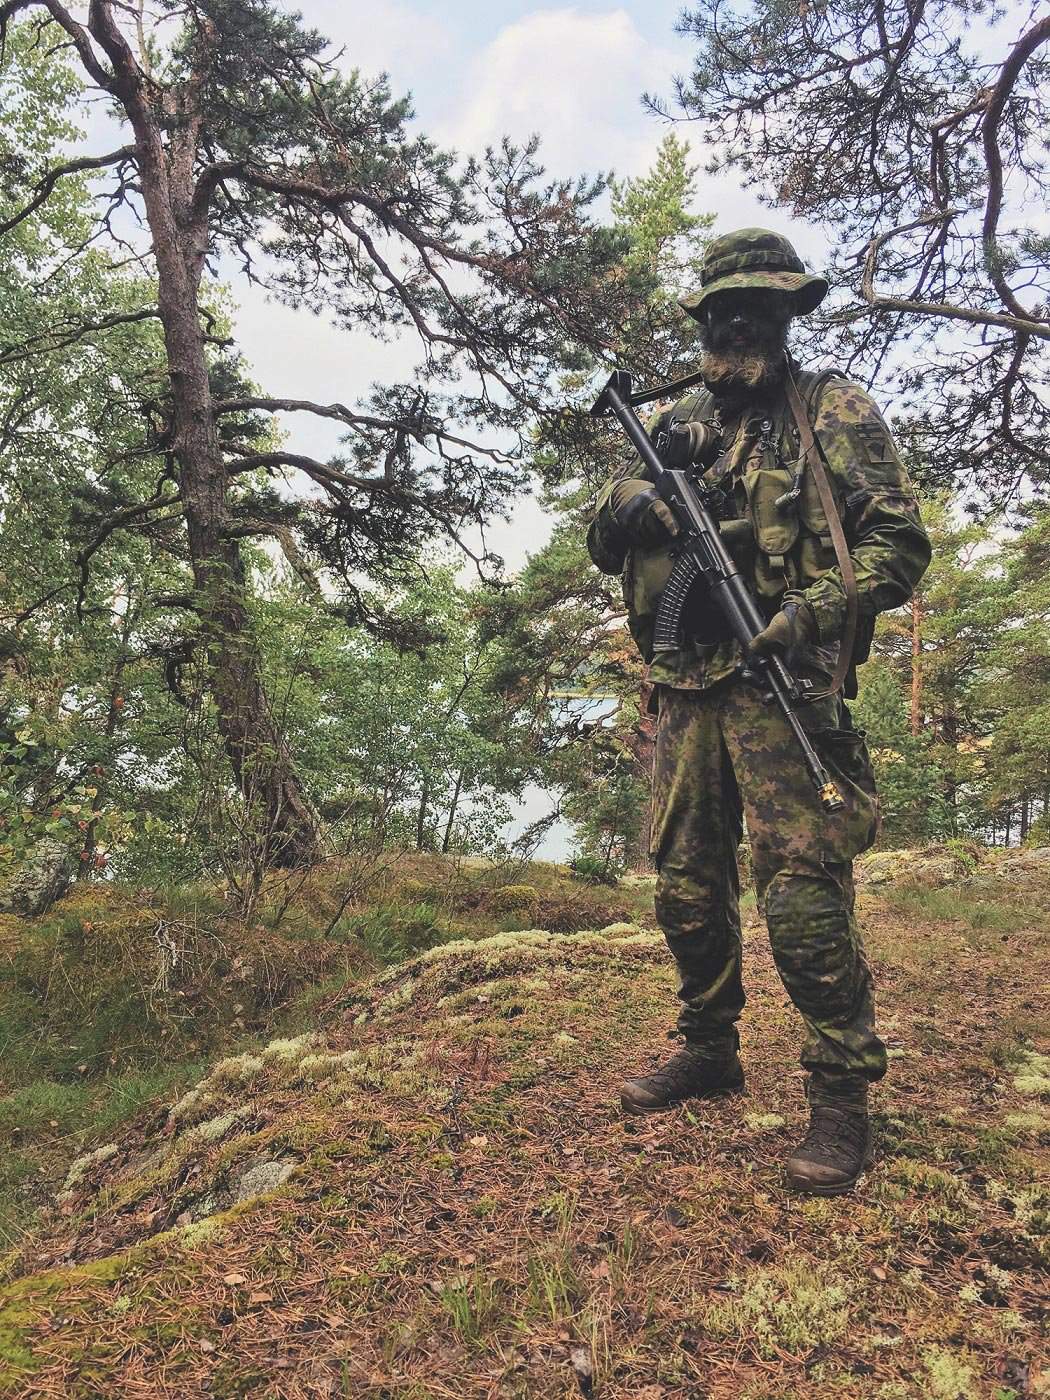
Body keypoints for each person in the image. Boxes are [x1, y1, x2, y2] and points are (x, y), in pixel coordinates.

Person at [586, 228, 931, 1195]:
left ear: (786, 316)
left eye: (758, 307)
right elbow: (599, 537)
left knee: (803, 896)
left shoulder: (832, 411)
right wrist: (635, 508)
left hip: (785, 688)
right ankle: (710, 1047)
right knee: (685, 887)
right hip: (685, 687)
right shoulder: (676, 421)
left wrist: (809, 613)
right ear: (703, 320)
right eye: (722, 308)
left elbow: (900, 544)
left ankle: (841, 1095)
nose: (737, 323)